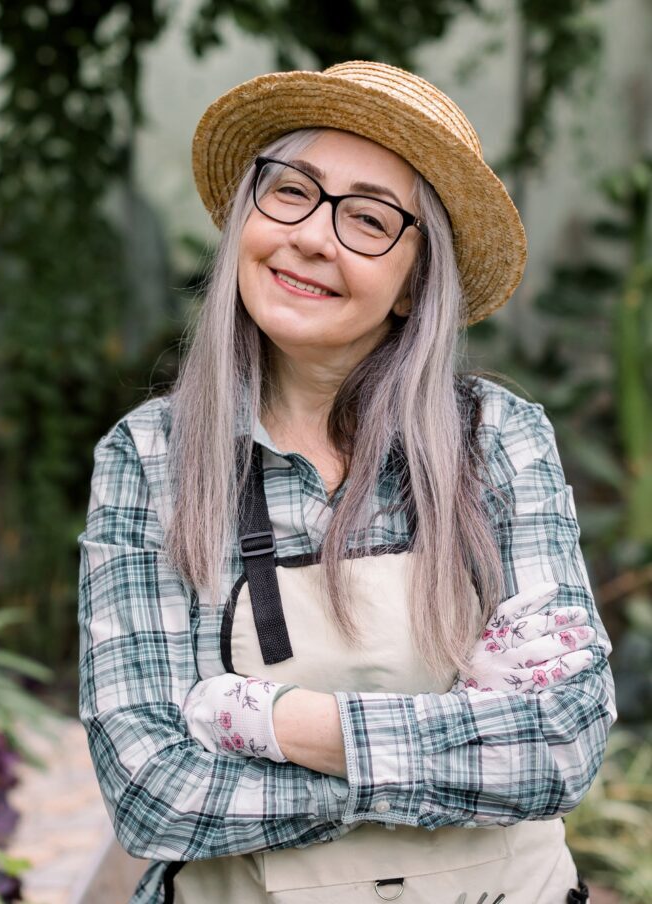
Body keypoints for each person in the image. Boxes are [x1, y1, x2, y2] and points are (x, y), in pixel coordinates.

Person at [78, 62, 616, 904]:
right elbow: (153, 794)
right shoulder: (153, 460)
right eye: (290, 192)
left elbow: (560, 748)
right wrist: (451, 765)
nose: (313, 236)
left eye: (368, 219)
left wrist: (281, 724)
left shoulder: (499, 441)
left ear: (414, 285)